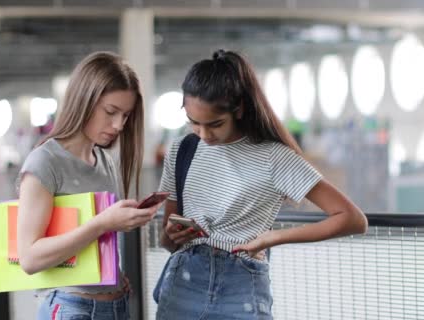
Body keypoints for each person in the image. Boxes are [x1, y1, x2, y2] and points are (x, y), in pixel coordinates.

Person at [155, 49, 368, 319]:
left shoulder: (274, 157)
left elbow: (352, 219)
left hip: (241, 285)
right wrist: (171, 236)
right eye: (194, 123)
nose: (204, 134)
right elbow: (166, 240)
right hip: (183, 283)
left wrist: (274, 238)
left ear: (240, 108)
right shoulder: (182, 149)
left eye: (215, 124)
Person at [16, 51, 159, 320]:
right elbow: (30, 258)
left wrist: (112, 276)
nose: (118, 125)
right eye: (110, 112)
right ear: (84, 101)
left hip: (115, 306)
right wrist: (103, 222)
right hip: (71, 308)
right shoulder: (45, 162)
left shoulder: (105, 160)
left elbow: (91, 243)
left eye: (126, 115)